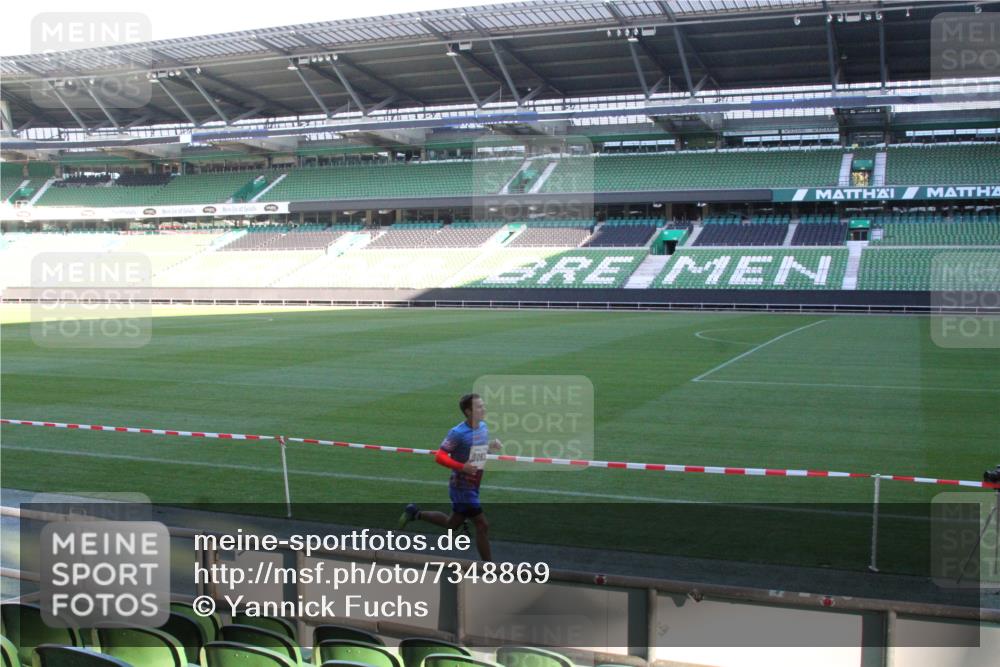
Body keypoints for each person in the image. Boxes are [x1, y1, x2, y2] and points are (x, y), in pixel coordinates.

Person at [398, 393, 502, 561]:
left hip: (474, 484)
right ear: (468, 411)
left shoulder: (483, 427)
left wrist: (491, 447)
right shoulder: (457, 433)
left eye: (483, 405)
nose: (484, 409)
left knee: (452, 523)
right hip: (462, 487)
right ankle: (489, 568)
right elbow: (440, 456)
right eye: (479, 407)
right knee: (482, 525)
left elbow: (478, 452)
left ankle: (415, 513)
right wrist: (462, 467)